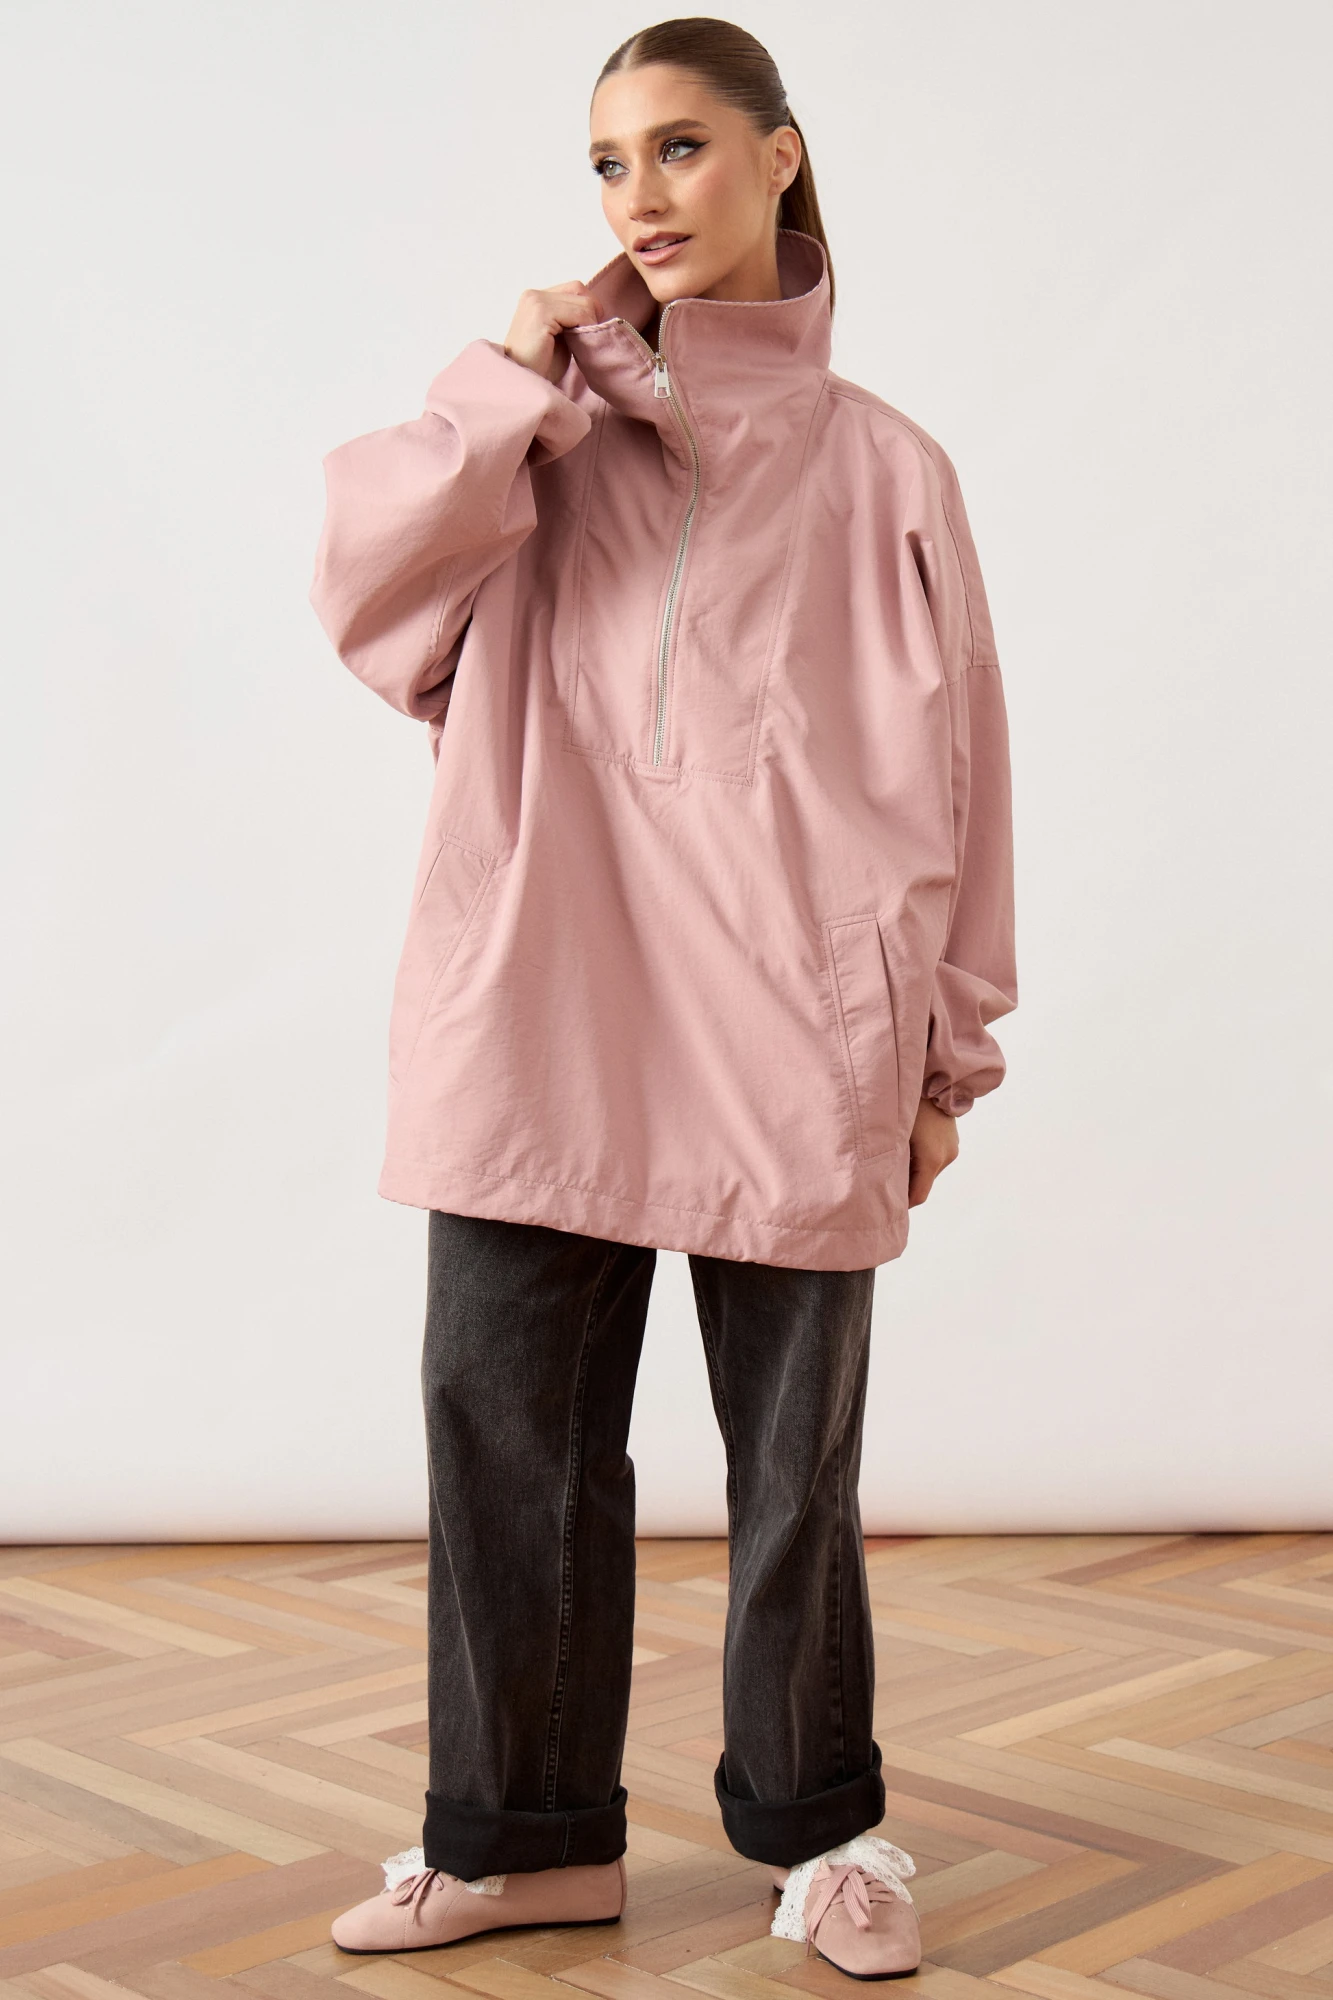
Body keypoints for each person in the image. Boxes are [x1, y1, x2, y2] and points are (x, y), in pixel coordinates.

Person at [308, 15, 1016, 1982]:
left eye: (682, 146)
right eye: (610, 162)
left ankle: (824, 1830)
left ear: (781, 156)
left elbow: (968, 775)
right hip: (537, 994)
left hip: (799, 1021)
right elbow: (366, 604)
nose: (640, 195)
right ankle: (521, 1838)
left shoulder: (888, 467)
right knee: (501, 1437)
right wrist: (501, 385)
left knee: (794, 1471)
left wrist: (948, 1055)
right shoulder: (536, 441)